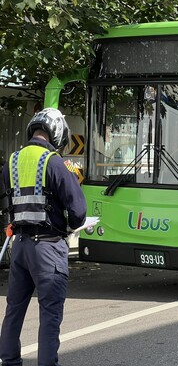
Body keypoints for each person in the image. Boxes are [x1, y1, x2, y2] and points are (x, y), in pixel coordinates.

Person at [0, 108, 87, 366]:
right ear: (57, 133)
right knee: (49, 315)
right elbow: (78, 212)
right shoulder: (54, 162)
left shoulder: (12, 161)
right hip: (48, 248)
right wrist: (70, 225)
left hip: (21, 247)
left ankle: (10, 361)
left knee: (14, 309)